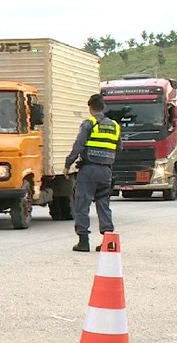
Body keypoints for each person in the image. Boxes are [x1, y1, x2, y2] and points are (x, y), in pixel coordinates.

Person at [64, 94, 121, 252]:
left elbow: (78, 146)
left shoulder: (89, 123)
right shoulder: (115, 126)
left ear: (90, 108)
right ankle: (108, 241)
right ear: (103, 107)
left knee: (82, 204)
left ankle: (83, 241)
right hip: (106, 171)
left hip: (89, 170)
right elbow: (119, 147)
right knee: (104, 204)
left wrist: (68, 164)